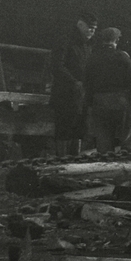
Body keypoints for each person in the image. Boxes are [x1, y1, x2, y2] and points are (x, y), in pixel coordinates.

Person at [83, 27, 131, 153]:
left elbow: (87, 82)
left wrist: (89, 103)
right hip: (120, 100)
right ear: (117, 39)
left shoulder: (93, 58)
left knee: (103, 138)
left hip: (99, 101)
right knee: (128, 136)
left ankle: (106, 166)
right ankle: (129, 166)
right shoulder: (123, 56)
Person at [50, 12, 96, 156]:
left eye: (94, 29)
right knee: (64, 127)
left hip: (80, 95)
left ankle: (74, 161)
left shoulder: (87, 46)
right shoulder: (66, 41)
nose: (92, 31)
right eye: (90, 27)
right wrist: (74, 82)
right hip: (65, 94)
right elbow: (57, 66)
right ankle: (61, 160)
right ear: (80, 25)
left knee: (79, 127)